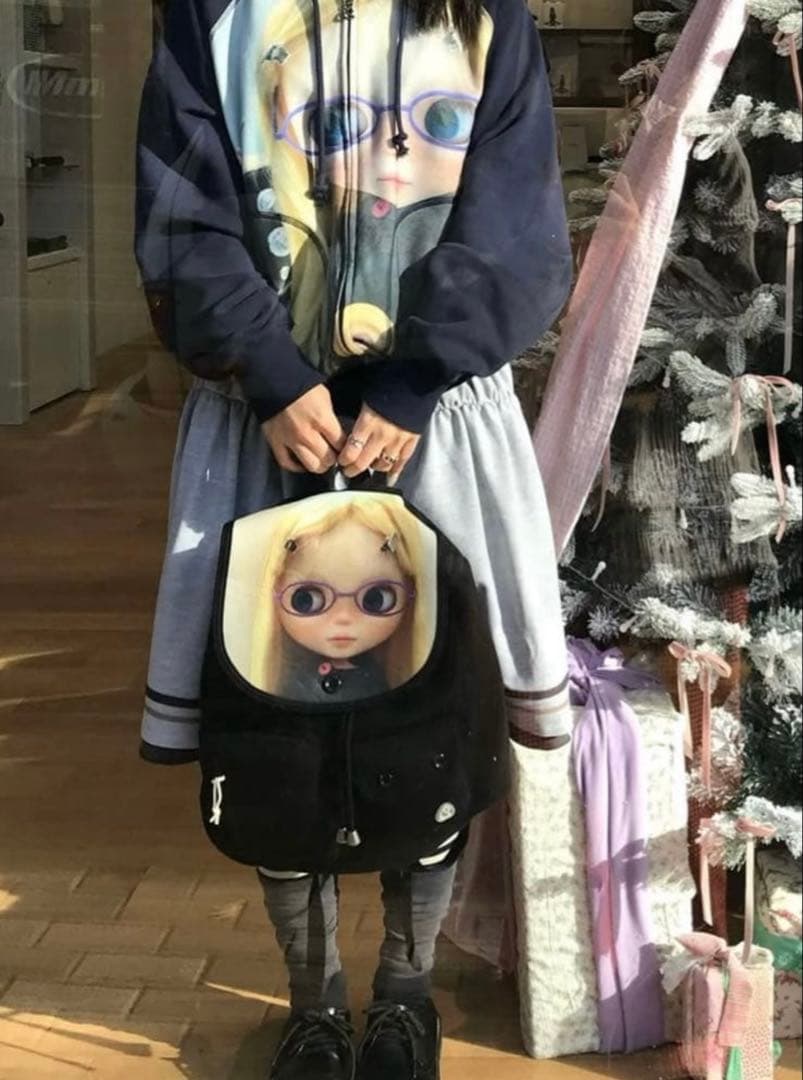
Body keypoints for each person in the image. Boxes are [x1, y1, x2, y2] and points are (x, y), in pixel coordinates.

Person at [134, 0, 574, 1076]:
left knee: (431, 721)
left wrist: (416, 378)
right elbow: (183, 206)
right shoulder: (212, 13)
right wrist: (268, 372)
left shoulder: (485, 16)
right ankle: (314, 1006)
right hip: (263, 423)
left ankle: (405, 999)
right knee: (272, 731)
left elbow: (511, 217)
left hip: (434, 426)